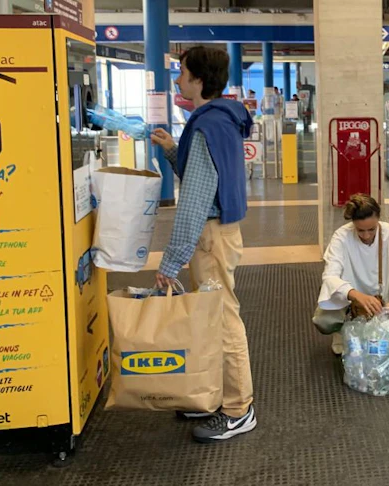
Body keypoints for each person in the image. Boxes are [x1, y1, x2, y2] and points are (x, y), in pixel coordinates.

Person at [149, 46, 257, 443]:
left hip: (210, 237)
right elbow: (205, 177)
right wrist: (173, 150)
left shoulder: (207, 124)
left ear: (197, 80)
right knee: (214, 318)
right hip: (221, 232)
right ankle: (214, 396)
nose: (177, 79)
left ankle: (237, 409)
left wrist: (170, 261)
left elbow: (195, 199)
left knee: (224, 321)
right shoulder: (225, 119)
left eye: (181, 73)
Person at [314, 194, 389, 355]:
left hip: (383, 292)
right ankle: (343, 329)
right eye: (360, 230)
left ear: (379, 219)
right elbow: (330, 276)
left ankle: (387, 317)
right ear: (353, 224)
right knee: (324, 320)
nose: (366, 235)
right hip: (351, 296)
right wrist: (356, 295)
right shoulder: (341, 237)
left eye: (371, 229)